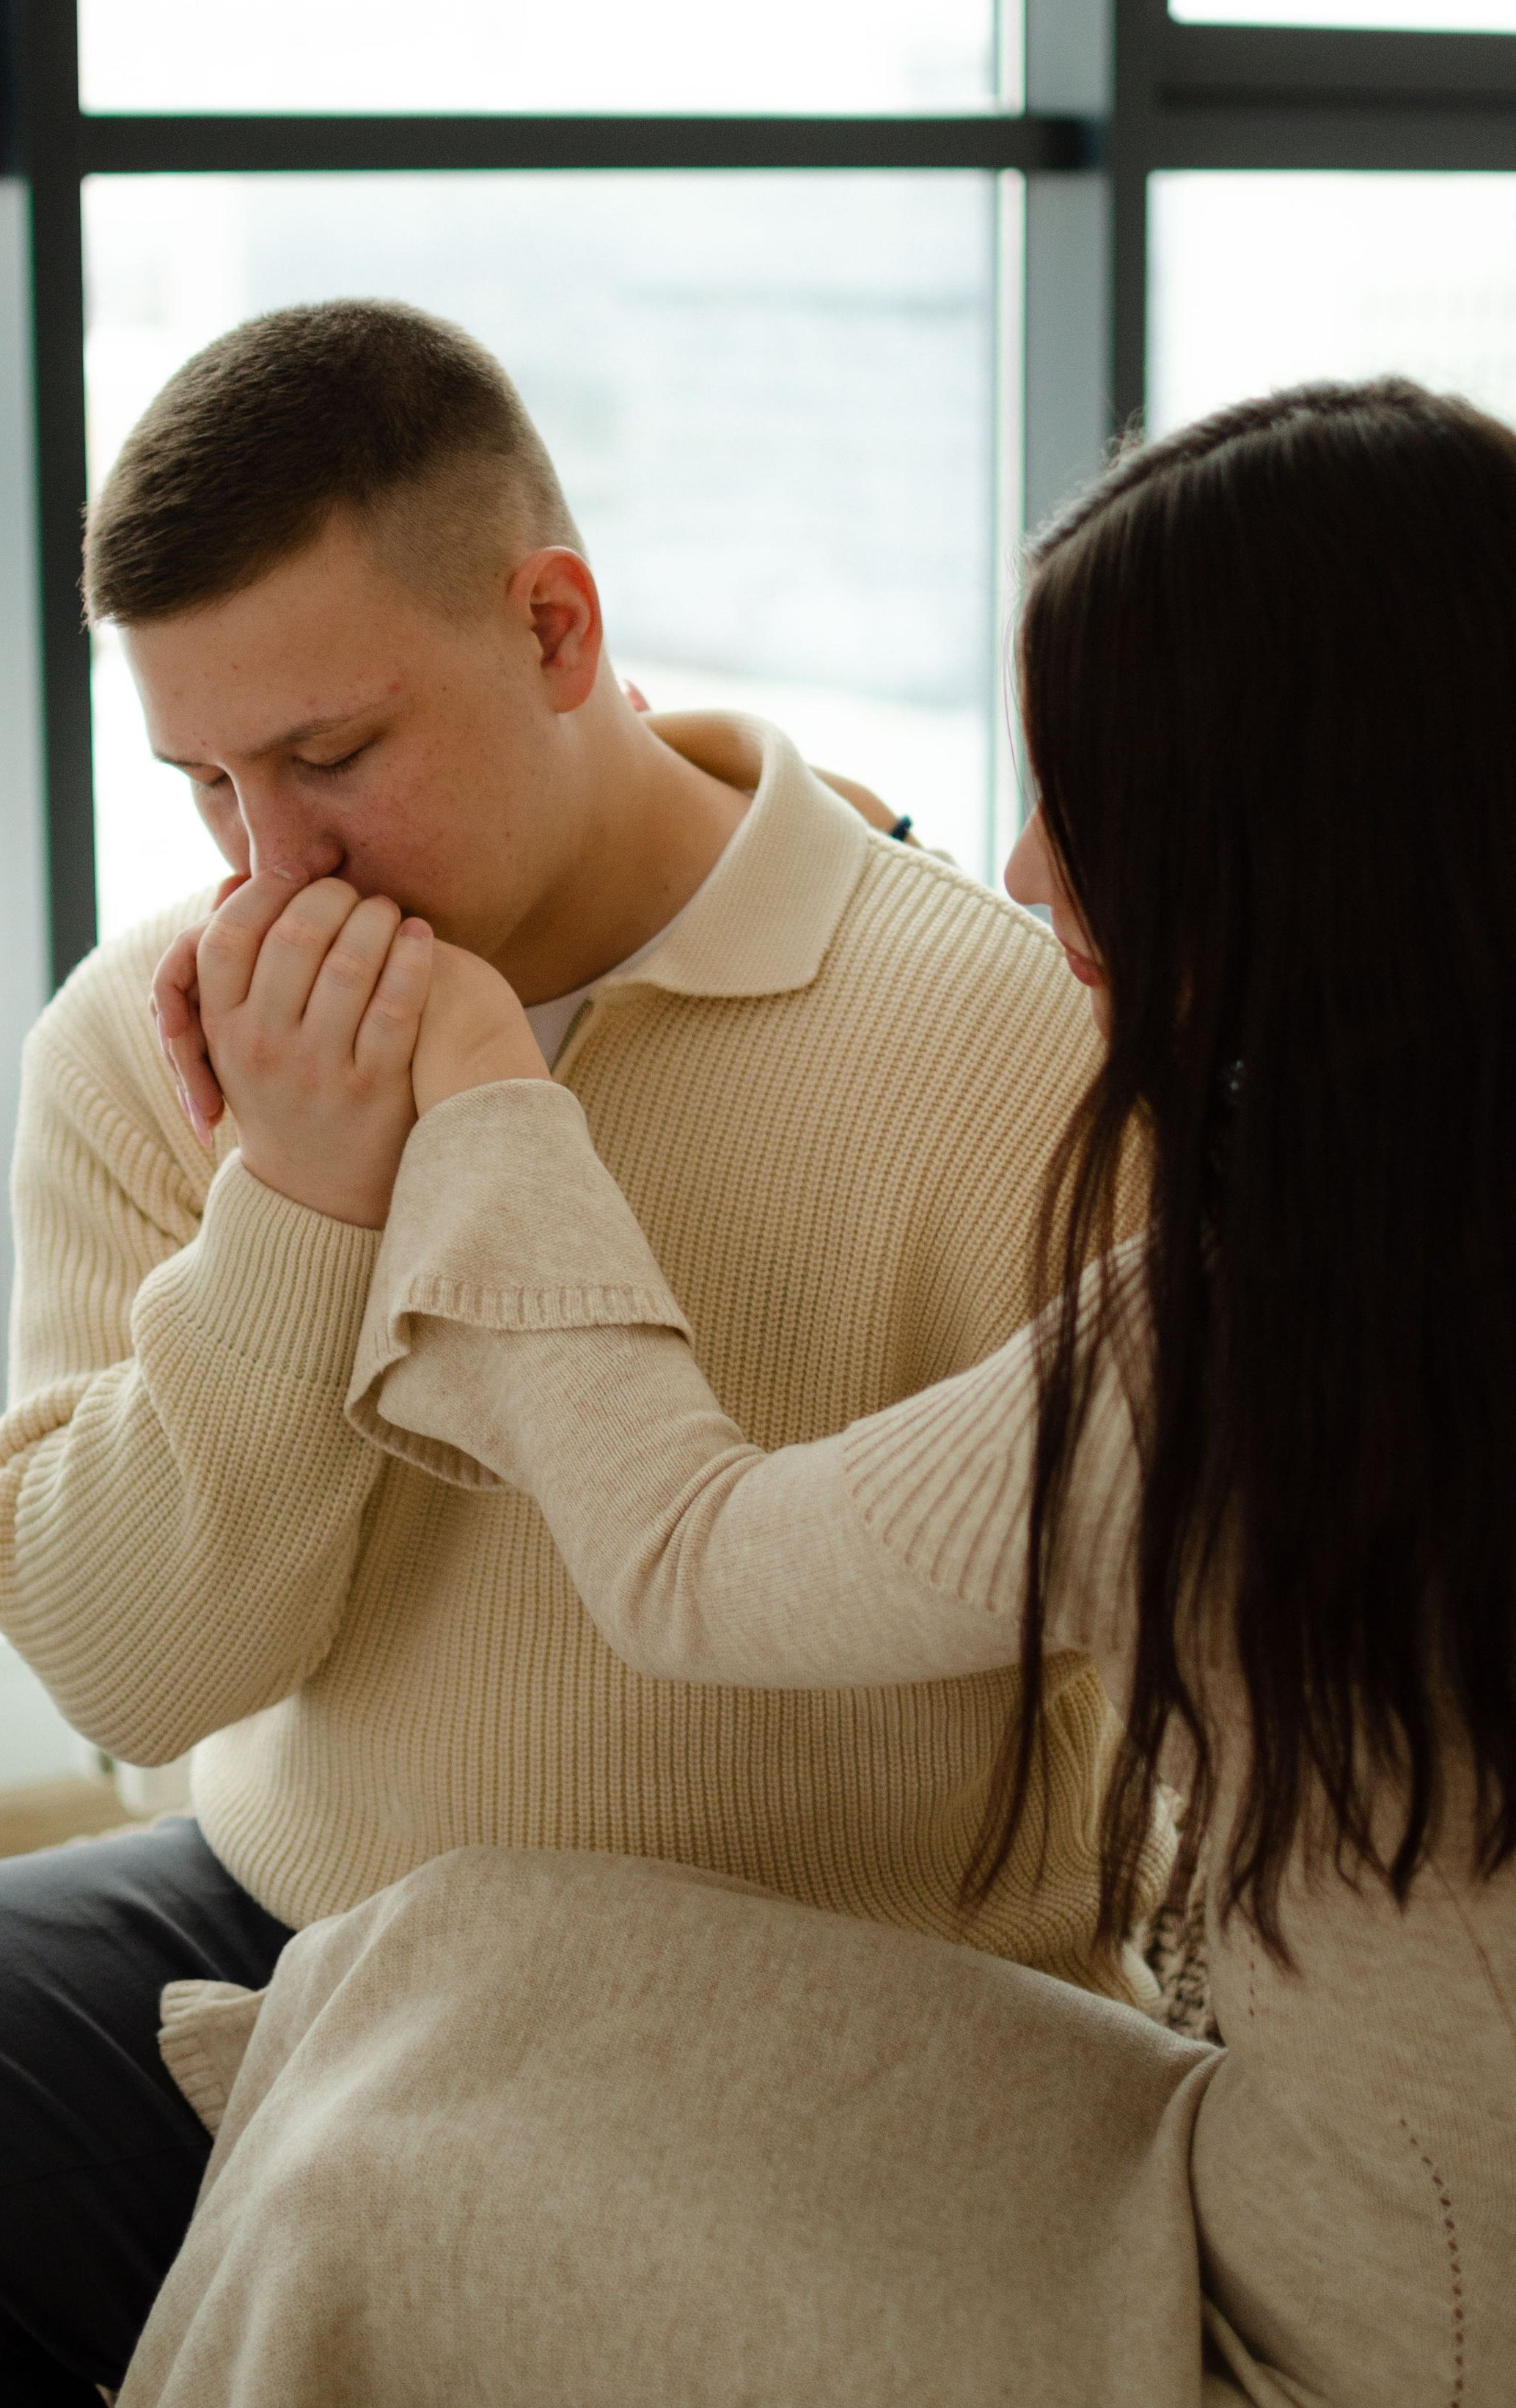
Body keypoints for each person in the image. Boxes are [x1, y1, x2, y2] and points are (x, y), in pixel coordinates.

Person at [0, 299, 1149, 2407]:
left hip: (835, 2019)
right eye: (208, 785)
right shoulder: (153, 1040)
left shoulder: (1017, 1047)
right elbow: (135, 1672)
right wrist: (301, 1205)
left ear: (555, 628)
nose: (272, 864)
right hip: (314, 1932)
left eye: (332, 757)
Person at [111, 380, 1516, 2408]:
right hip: (1318, 2174)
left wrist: (482, 1092)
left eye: (1089, 798)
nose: (1020, 868)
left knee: (373, 2179)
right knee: (448, 1952)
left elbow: (687, 1560)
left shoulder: (1244, 1347)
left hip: (1344, 2343)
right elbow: (125, 1637)